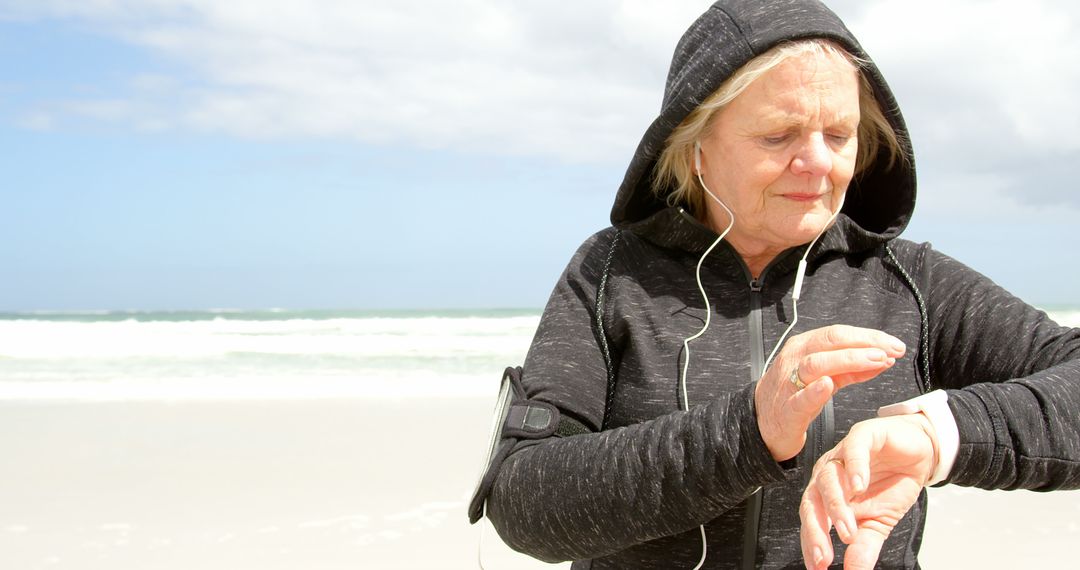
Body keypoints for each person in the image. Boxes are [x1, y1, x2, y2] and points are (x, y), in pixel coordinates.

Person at [478, 1, 1080, 568]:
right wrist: (749, 430)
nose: (817, 161)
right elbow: (522, 494)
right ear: (695, 148)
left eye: (839, 135)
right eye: (777, 135)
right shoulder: (612, 274)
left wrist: (940, 434)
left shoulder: (909, 282)